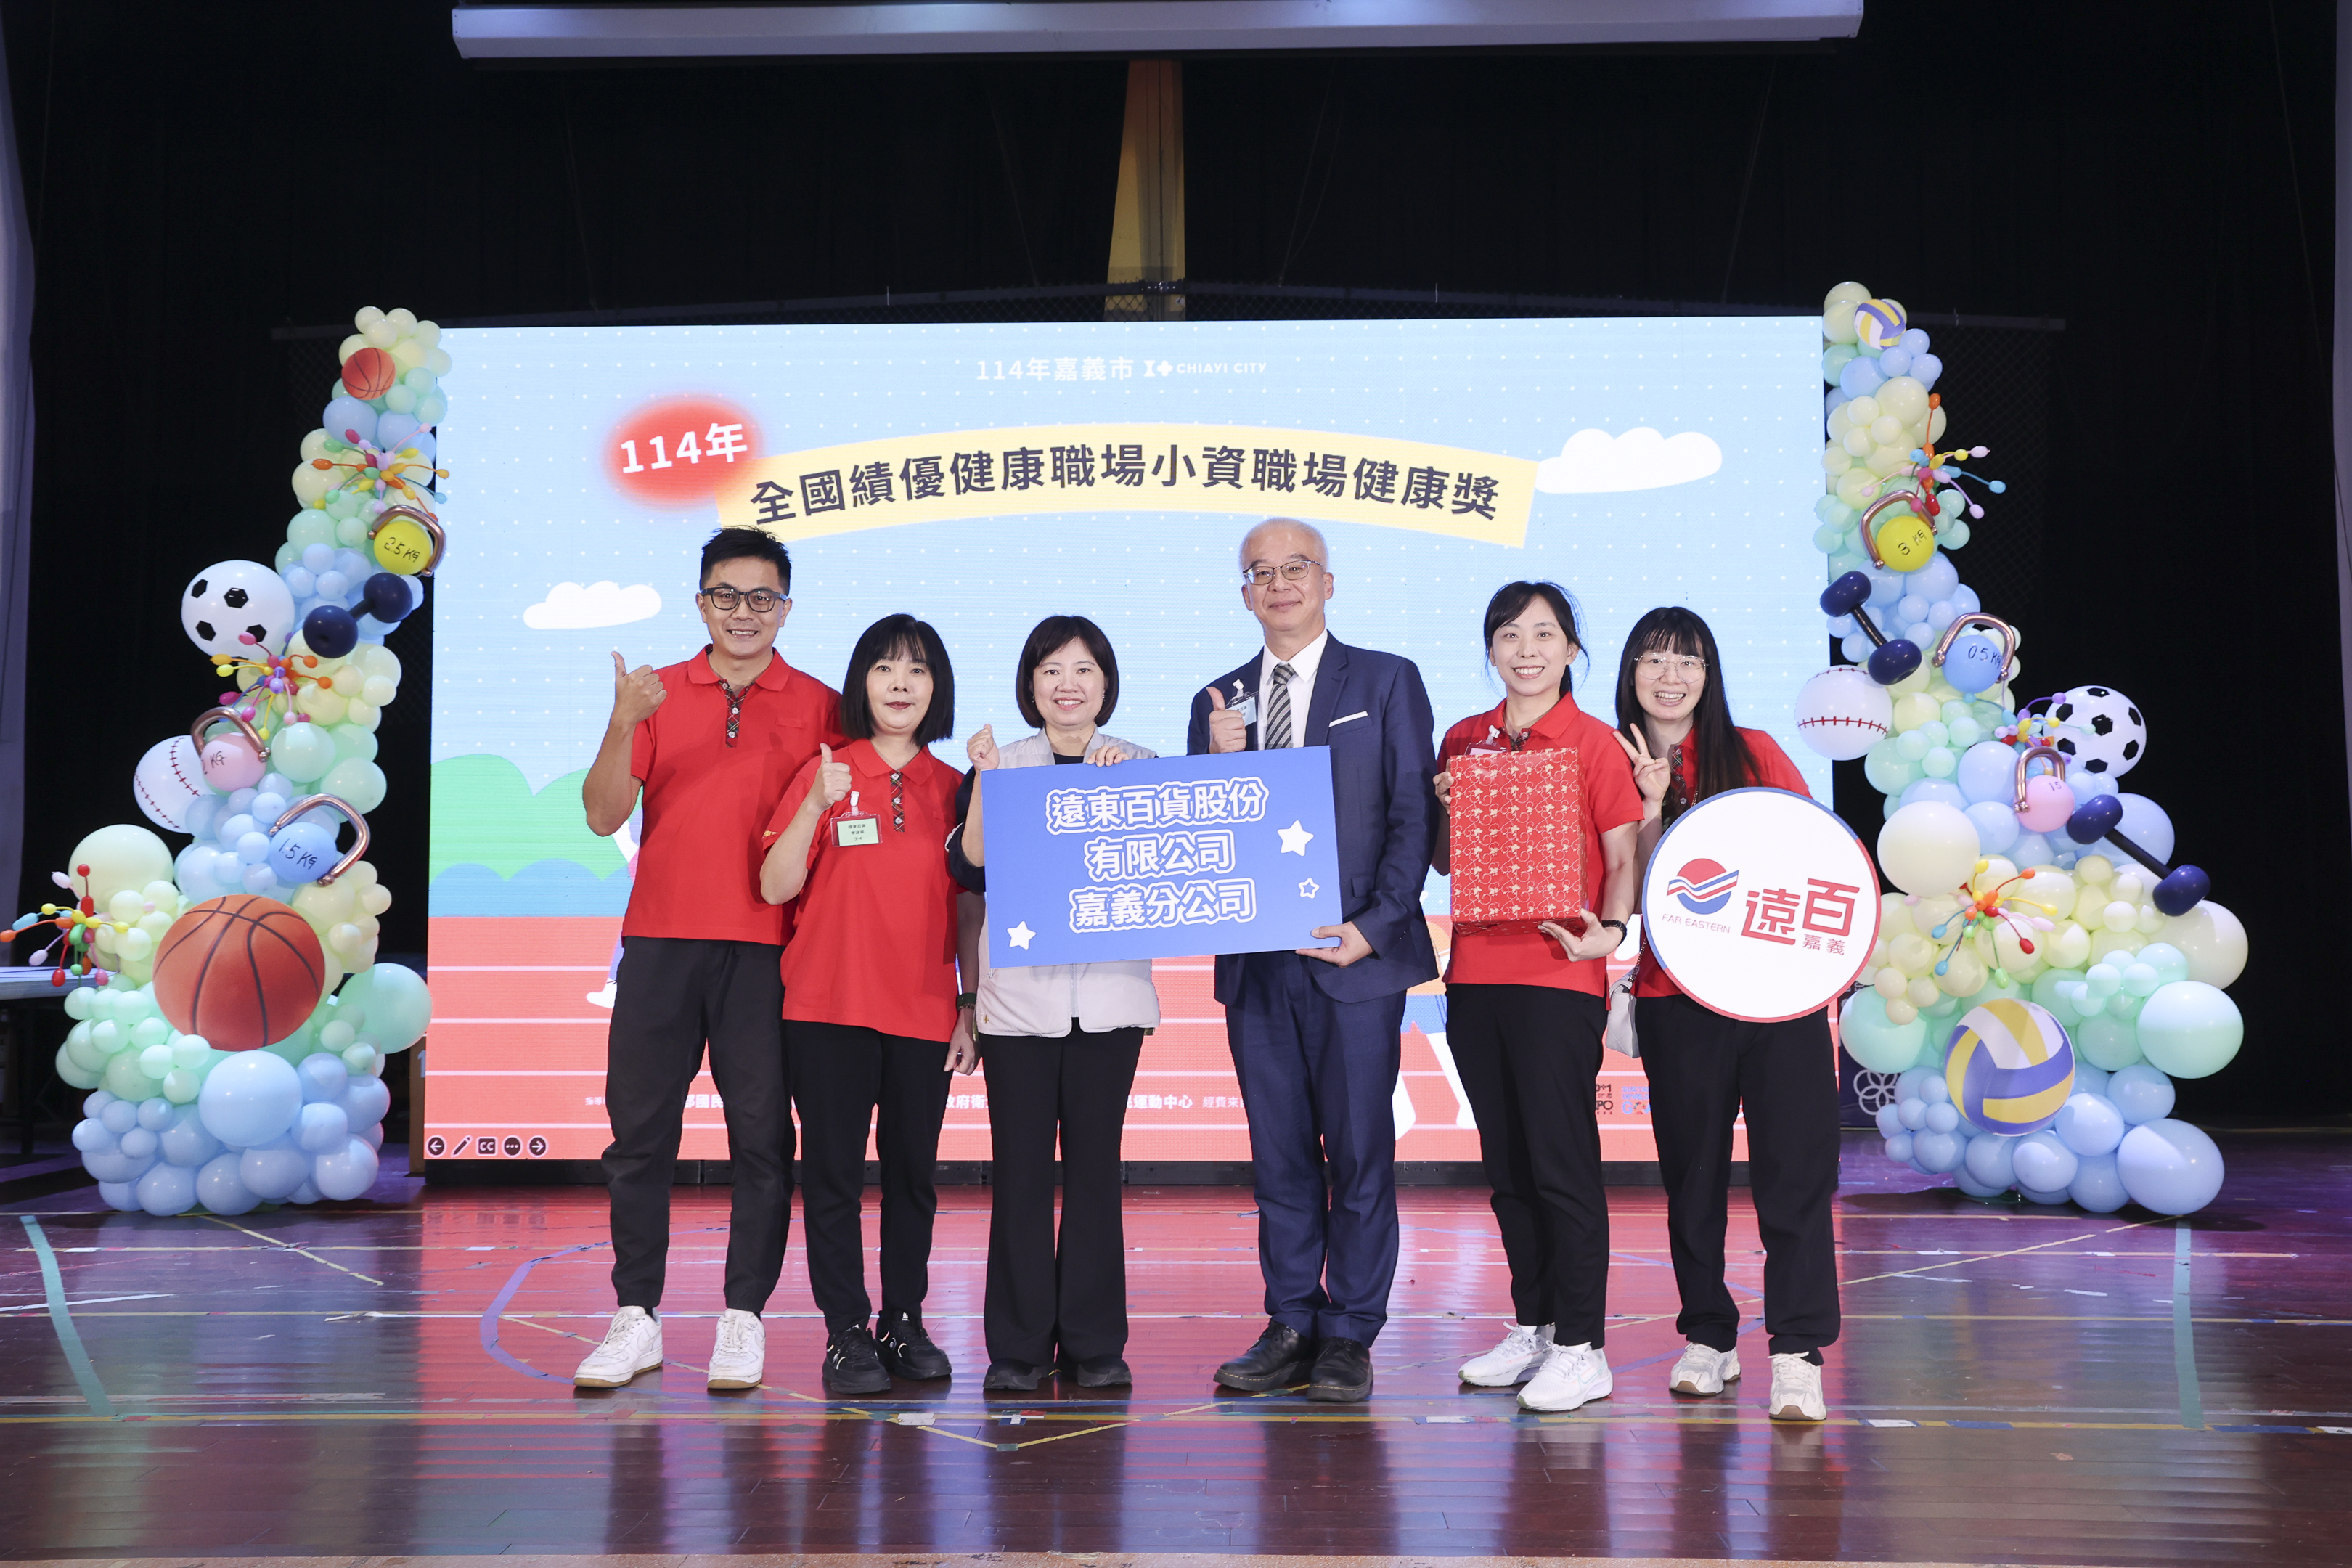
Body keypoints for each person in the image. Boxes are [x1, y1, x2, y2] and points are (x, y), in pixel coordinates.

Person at [573, 527, 844, 1392]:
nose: (743, 613)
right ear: (701, 603)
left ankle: (743, 1318)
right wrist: (622, 721)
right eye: (727, 595)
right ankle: (636, 1316)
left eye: (762, 597)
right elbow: (601, 816)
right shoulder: (655, 694)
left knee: (762, 1140)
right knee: (639, 1138)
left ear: (786, 609)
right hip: (659, 945)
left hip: (766, 952)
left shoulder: (823, 705)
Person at [1187, 518, 1438, 1404]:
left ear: (1328, 582)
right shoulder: (1217, 699)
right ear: (1245, 594)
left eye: (1297, 567)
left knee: (1361, 1152)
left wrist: (1375, 925)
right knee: (1280, 1155)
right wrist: (1216, 762)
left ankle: (1351, 1333)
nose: (1280, 583)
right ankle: (1292, 1320)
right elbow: (1205, 835)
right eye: (1261, 572)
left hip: (1355, 959)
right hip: (1260, 967)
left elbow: (1413, 815)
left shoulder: (1385, 679)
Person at [1614, 605, 1841, 1424]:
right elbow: (1625, 894)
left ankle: (1797, 1351)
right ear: (1630, 674)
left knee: (1795, 1174)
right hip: (1677, 1002)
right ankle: (1708, 1335)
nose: (1670, 676)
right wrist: (1648, 806)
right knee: (1693, 1180)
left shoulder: (1755, 752)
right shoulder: (1607, 761)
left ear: (1709, 675)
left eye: (1688, 660)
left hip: (1777, 999)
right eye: (1653, 660)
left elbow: (1819, 859)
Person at [1432, 582, 1643, 1412]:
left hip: (1558, 977)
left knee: (1561, 1165)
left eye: (1545, 634)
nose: (1527, 649)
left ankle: (1585, 1347)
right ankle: (1537, 1327)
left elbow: (1621, 859)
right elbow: (1447, 862)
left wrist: (1610, 934)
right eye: (1511, 635)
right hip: (1475, 976)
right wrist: (1446, 807)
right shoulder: (1464, 739)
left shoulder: (1593, 744)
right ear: (1491, 648)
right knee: (1508, 1169)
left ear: (1571, 651)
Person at [760, 613, 979, 1396]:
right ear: (861, 683)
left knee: (913, 1177)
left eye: (917, 670)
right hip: (827, 1009)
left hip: (923, 1011)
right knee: (833, 1179)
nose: (900, 684)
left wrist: (969, 1004)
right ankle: (846, 1331)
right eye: (884, 668)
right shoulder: (826, 770)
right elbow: (775, 886)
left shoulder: (954, 787)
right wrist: (814, 805)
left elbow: (969, 906)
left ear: (936, 688)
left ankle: (903, 1320)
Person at [949, 615, 1159, 1393]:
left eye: (1083, 670)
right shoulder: (1000, 764)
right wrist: (987, 779)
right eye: (1050, 670)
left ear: (1106, 683)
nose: (1067, 685)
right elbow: (971, 866)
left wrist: (1122, 793)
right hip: (1018, 1008)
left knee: (1097, 1172)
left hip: (1111, 1003)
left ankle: (1097, 1343)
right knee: (1022, 1174)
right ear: (1030, 684)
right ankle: (1018, 1346)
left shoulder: (1142, 765)